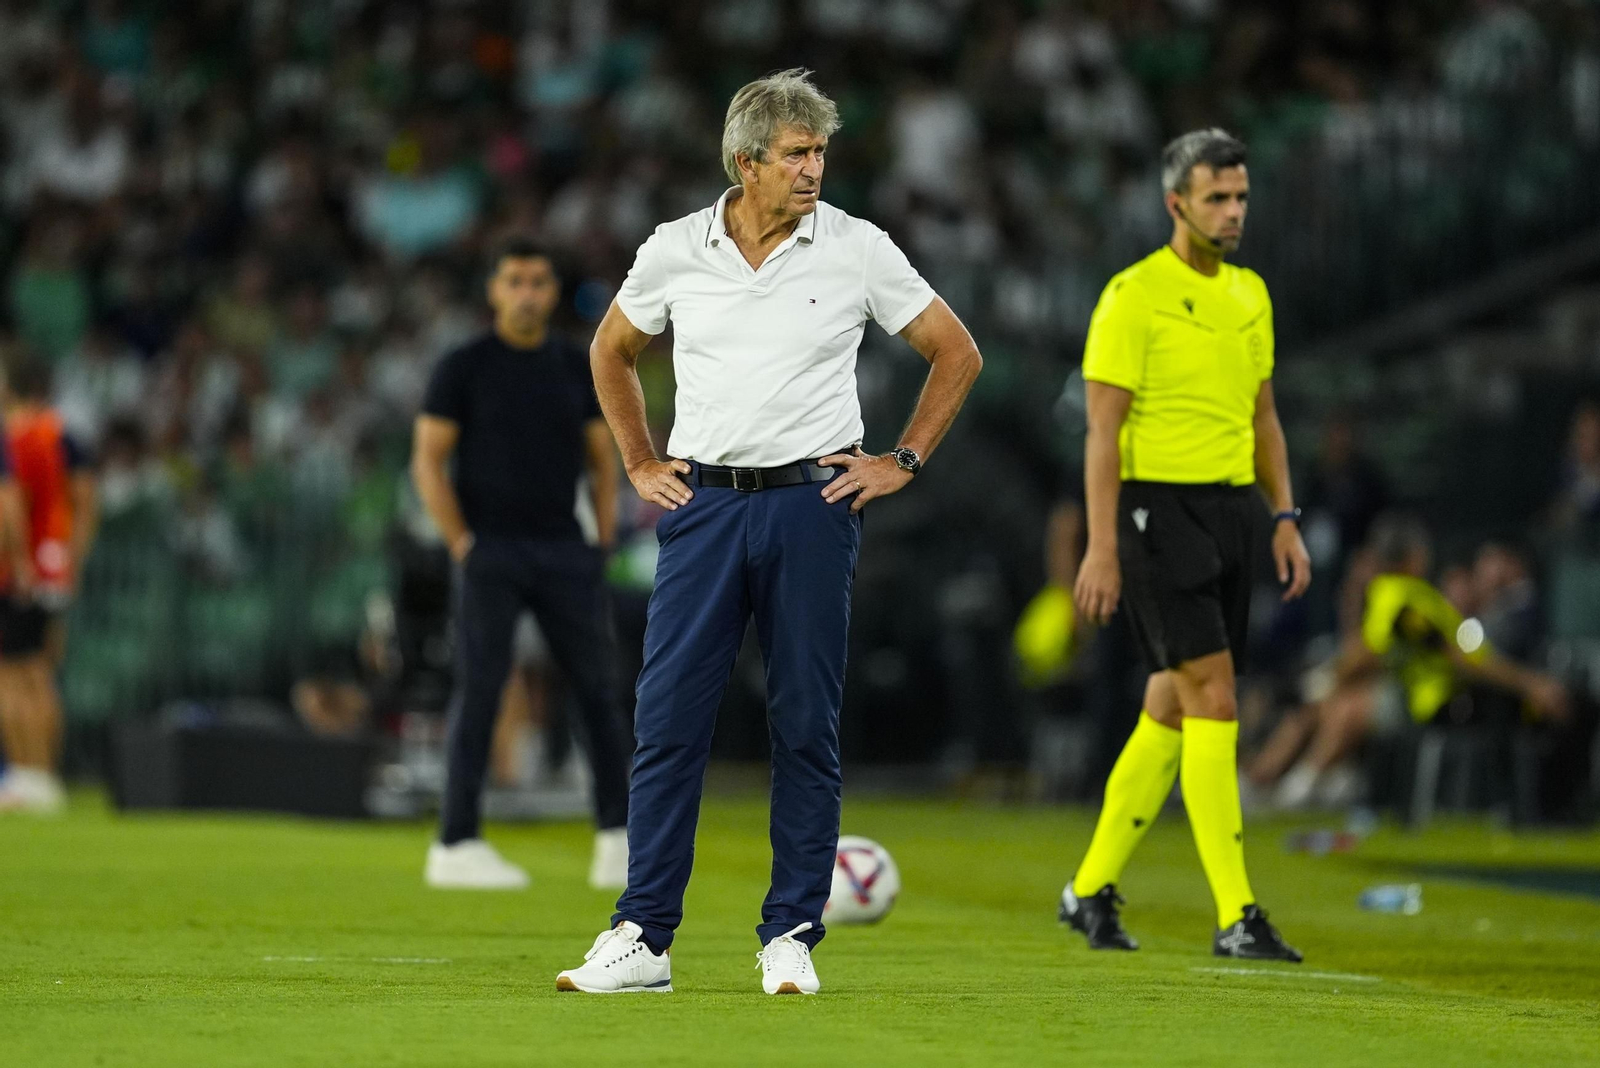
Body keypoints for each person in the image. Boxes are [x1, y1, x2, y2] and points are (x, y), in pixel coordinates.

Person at [555, 69, 982, 996]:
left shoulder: (857, 247)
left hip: (813, 506)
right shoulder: (676, 249)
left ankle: (789, 933)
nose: (814, 168)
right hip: (703, 506)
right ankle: (643, 936)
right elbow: (610, 349)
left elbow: (957, 350)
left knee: (804, 723)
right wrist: (638, 460)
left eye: (820, 151)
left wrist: (901, 461)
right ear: (745, 163)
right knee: (667, 723)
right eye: (796, 153)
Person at [1059, 129, 1312, 961]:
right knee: (1215, 696)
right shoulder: (1133, 296)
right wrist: (1101, 547)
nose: (1233, 211)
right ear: (1177, 204)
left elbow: (1263, 414)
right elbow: (1103, 432)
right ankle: (1237, 913)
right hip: (1150, 514)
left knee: (1173, 700)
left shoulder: (1251, 295)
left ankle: (1089, 889)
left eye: (1240, 196)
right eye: (1216, 198)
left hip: (1231, 511)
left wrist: (1284, 517)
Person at [411, 238, 634, 891]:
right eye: (515, 281)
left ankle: (617, 839)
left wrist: (598, 541)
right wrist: (461, 543)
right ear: (494, 291)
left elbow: (602, 457)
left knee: (596, 688)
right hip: (493, 549)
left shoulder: (574, 365)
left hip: (565, 547)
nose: (528, 293)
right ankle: (455, 841)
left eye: (538, 281)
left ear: (552, 290)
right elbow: (428, 460)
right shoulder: (464, 366)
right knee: (481, 688)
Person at [1248, 517, 1567, 807]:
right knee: (1330, 704)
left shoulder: (1404, 596)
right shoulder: (1403, 593)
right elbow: (1373, 649)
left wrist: (1530, 683)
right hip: (1422, 697)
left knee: (1344, 707)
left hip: (1441, 702)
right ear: (1414, 556)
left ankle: (1290, 789)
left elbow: (1451, 657)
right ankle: (1276, 783)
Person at [0, 360, 98, 813]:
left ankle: (26, 775)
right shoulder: (65, 437)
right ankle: (44, 776)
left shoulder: (13, 437)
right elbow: (86, 505)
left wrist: (20, 560)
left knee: (12, 676)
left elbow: (9, 503)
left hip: (15, 570)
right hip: (53, 566)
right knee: (41, 674)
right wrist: (68, 562)